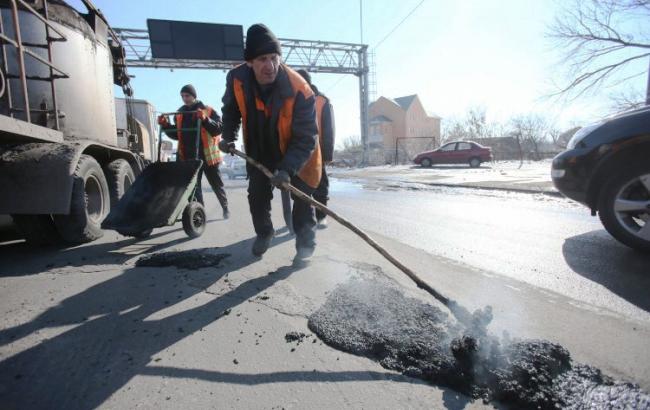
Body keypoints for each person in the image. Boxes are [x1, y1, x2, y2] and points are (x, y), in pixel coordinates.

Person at [219, 23, 321, 260]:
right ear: (250, 62)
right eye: (263, 59)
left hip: (297, 153)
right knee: (256, 195)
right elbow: (231, 110)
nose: (270, 65)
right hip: (260, 148)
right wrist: (228, 136)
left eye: (274, 58)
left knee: (303, 200)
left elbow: (307, 137)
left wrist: (287, 169)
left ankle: (305, 248)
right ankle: (265, 232)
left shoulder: (300, 89)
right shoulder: (236, 79)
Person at [158, 85, 229, 219]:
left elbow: (218, 129)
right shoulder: (180, 114)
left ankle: (225, 208)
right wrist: (166, 126)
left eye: (187, 95)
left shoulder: (208, 110)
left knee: (216, 184)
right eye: (182, 96)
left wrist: (205, 119)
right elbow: (178, 135)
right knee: (194, 188)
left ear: (194, 96)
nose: (185, 98)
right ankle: (199, 213)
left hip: (207, 157)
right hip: (189, 156)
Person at [296, 69, 335, 229]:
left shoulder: (322, 101)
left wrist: (326, 155)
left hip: (317, 152)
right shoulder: (290, 98)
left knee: (321, 186)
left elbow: (328, 129)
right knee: (299, 188)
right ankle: (303, 219)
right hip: (296, 152)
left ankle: (321, 216)